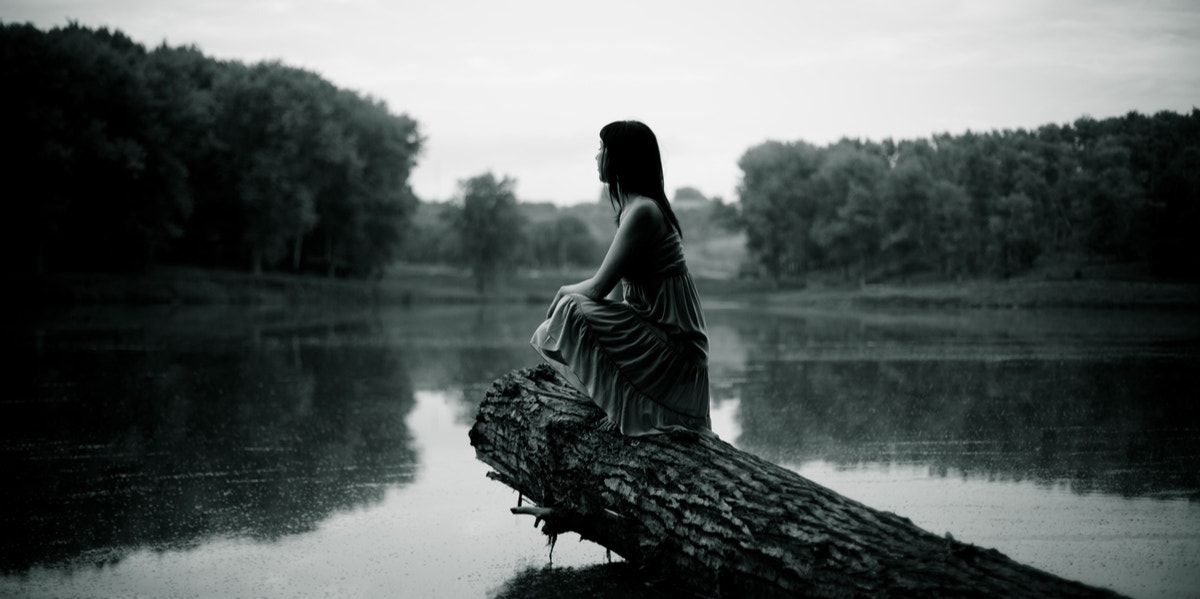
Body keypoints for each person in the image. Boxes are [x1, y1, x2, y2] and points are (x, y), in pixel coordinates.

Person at [530, 120, 711, 436]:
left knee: (573, 307)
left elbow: (598, 287)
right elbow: (614, 296)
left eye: (602, 149)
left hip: (676, 354)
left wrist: (563, 293)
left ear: (621, 159)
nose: (597, 156)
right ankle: (615, 405)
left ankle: (626, 410)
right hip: (658, 341)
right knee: (566, 318)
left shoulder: (644, 211)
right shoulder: (633, 210)